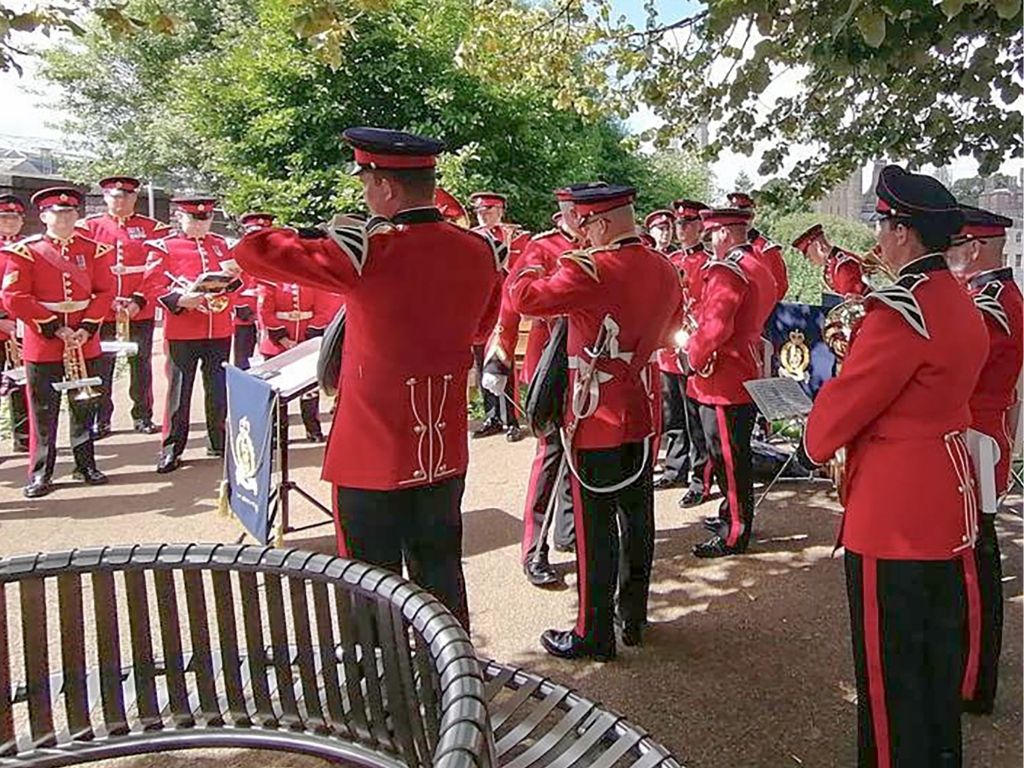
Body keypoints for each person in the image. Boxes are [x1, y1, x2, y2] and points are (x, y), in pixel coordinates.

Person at [231, 127, 504, 629]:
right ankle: (449, 676)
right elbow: (482, 327)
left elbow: (252, 251)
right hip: (441, 445)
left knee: (370, 583)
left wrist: (326, 233)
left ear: (384, 188)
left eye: (365, 183)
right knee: (440, 570)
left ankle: (381, 687)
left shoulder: (367, 252)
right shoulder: (479, 250)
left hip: (371, 449)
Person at [802, 165, 986, 767]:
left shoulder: (900, 314)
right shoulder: (959, 301)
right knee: (935, 666)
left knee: (888, 680)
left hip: (894, 514)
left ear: (905, 231)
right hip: (947, 498)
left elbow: (827, 427)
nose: (878, 237)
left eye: (883, 224)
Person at [507, 184, 683, 661]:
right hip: (642, 411)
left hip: (596, 415)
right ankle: (634, 617)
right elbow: (671, 332)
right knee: (639, 519)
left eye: (582, 224)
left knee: (594, 529)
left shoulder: (590, 268)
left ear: (601, 223)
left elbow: (525, 298)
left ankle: (593, 631)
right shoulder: (665, 267)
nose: (578, 233)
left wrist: (525, 255)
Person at [490, 192, 590, 588]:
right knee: (550, 455)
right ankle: (534, 548)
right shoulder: (541, 247)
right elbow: (511, 303)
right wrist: (498, 355)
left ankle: (570, 533)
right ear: (565, 214)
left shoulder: (599, 248)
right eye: (579, 215)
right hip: (550, 364)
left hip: (588, 367)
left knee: (580, 452)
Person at [945, 203, 1021, 715]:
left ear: (973, 248)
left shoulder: (990, 299)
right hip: (977, 430)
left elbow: (960, 366)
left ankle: (973, 680)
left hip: (977, 435)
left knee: (975, 563)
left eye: (953, 248)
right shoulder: (986, 294)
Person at [1, 187, 115, 497]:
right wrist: (53, 327)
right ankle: (41, 471)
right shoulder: (27, 251)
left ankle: (85, 464)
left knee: (85, 404)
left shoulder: (94, 250)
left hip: (84, 338)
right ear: (43, 216)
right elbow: (14, 296)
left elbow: (106, 291)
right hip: (44, 339)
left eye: (68, 212)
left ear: (77, 215)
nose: (63, 217)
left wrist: (88, 326)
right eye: (56, 212)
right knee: (43, 409)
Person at [678, 207, 775, 558]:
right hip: (744, 367)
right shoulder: (758, 264)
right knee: (736, 455)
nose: (710, 241)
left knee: (727, 459)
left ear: (722, 233)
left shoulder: (726, 269)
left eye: (711, 234)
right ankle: (732, 515)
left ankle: (735, 530)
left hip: (722, 376)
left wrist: (691, 357)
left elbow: (716, 327)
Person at [140, 196, 240, 474]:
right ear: (179, 217)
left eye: (205, 218)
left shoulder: (221, 245)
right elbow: (152, 287)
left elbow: (239, 281)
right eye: (195, 218)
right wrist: (180, 300)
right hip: (183, 329)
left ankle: (218, 441)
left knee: (218, 388)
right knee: (179, 392)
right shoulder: (164, 247)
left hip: (218, 326)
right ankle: (172, 448)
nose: (201, 223)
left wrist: (229, 287)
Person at [77, 175, 169, 437]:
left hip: (139, 307)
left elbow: (156, 270)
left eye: (127, 195)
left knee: (140, 364)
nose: (121, 200)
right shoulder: (88, 227)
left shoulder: (153, 228)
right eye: (115, 196)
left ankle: (142, 415)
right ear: (105, 197)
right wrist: (105, 300)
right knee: (103, 364)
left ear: (135, 198)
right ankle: (101, 418)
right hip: (102, 309)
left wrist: (139, 299)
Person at [655, 199, 713, 506]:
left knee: (696, 421)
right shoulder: (671, 258)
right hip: (669, 348)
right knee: (673, 414)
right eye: (678, 224)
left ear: (701, 227)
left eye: (686, 224)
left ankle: (699, 478)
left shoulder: (709, 262)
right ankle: (675, 467)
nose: (680, 230)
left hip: (693, 347)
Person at [256, 262, 341, 443]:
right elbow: (265, 312)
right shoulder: (270, 280)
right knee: (277, 389)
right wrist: (283, 339)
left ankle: (312, 427)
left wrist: (308, 339)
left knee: (309, 390)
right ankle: (276, 432)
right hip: (277, 343)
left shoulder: (311, 279)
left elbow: (323, 310)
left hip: (306, 341)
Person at [470, 191, 529, 441]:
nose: (484, 216)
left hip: (505, 308)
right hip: (480, 308)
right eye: (480, 212)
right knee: (482, 360)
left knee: (504, 360)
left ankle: (511, 418)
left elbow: (524, 270)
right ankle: (492, 415)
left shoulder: (519, 237)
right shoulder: (471, 238)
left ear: (501, 211)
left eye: (489, 211)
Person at [0, 194, 30, 453]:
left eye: (13, 218)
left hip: (23, 326)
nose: (8, 222)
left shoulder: (29, 249)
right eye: (3, 218)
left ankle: (24, 437)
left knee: (23, 383)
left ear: (22, 221)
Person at [727, 191, 788, 302]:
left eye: (742, 215)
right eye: (733, 216)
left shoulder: (766, 248)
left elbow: (779, 287)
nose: (737, 221)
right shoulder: (724, 245)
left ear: (752, 217)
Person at [791, 223, 868, 298]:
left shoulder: (844, 265)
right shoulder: (831, 264)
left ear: (818, 246)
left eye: (808, 255)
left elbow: (853, 299)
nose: (809, 259)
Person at [229, 212, 265, 370]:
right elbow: (229, 282)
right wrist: (237, 306)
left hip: (269, 315)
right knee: (243, 360)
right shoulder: (234, 253)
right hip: (245, 314)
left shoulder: (276, 254)